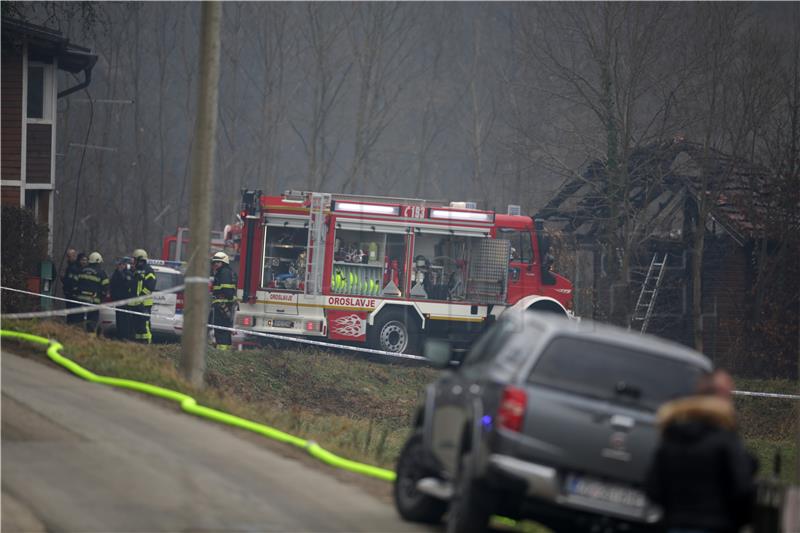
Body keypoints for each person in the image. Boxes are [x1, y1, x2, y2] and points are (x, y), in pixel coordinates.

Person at [645, 369, 758, 533]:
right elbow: (743, 487)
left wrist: (674, 512)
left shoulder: (672, 435)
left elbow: (653, 487)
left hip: (676, 525)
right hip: (717, 526)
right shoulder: (726, 440)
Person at [76, 252, 110, 335]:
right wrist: (102, 297)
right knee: (92, 321)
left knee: (79, 320)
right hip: (93, 301)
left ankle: (77, 336)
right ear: (98, 261)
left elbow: (76, 284)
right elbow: (106, 287)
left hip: (80, 300)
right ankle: (90, 338)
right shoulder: (101, 273)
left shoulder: (82, 270)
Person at [209, 251, 237, 350]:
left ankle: (222, 351)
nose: (215, 264)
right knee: (224, 329)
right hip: (224, 305)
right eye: (214, 262)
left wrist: (222, 300)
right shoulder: (225, 272)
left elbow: (227, 290)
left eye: (218, 262)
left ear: (224, 263)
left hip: (222, 305)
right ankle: (224, 350)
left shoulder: (224, 273)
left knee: (221, 330)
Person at [131, 249, 156, 344]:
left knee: (145, 326)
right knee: (137, 327)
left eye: (135, 259)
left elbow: (150, 287)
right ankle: (139, 345)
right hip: (136, 304)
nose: (133, 261)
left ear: (140, 259)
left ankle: (147, 344)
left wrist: (141, 298)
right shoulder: (136, 270)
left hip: (144, 304)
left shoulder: (148, 271)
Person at [110, 256, 135, 340]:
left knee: (126, 320)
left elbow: (127, 284)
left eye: (122, 264)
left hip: (126, 301)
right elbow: (112, 286)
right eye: (119, 264)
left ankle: (125, 337)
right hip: (118, 300)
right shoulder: (115, 274)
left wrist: (121, 274)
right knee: (119, 320)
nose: (120, 266)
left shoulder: (128, 274)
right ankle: (120, 336)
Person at [62, 248, 83, 325]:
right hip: (69, 295)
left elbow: (72, 282)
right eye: (68, 256)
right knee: (70, 315)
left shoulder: (75, 268)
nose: (69, 258)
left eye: (70, 256)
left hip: (74, 296)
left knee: (74, 316)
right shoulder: (69, 267)